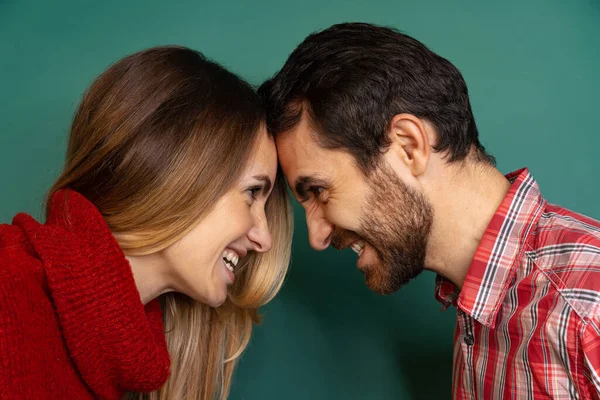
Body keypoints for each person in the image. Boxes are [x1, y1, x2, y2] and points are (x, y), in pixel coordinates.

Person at [259, 22, 600, 399]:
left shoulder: (586, 307)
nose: (318, 236)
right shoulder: (482, 306)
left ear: (408, 146)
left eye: (320, 191)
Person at [0, 46, 292, 400]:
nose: (264, 239)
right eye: (251, 192)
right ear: (177, 173)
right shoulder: (10, 293)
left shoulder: (116, 351)